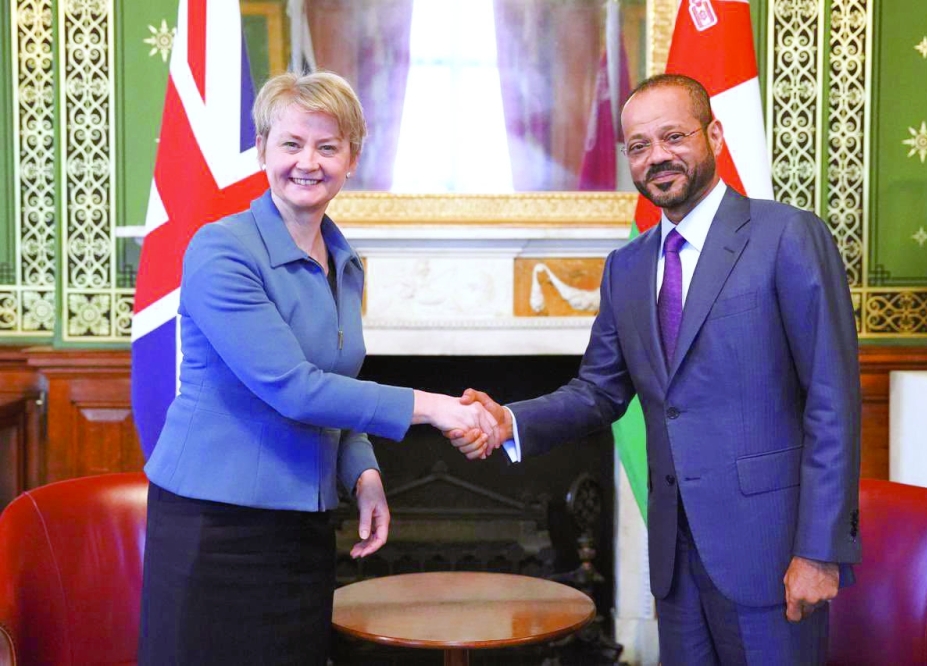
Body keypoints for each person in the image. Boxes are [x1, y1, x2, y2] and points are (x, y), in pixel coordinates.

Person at [451, 74, 861, 665]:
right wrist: (509, 420)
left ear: (714, 135)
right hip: (675, 558)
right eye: (639, 146)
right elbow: (598, 391)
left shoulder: (787, 236)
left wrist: (820, 551)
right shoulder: (627, 267)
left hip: (770, 553)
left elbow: (834, 401)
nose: (657, 156)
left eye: (673, 136)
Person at [138, 71, 496, 666]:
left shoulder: (345, 260)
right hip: (217, 529)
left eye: (328, 146)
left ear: (351, 159)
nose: (309, 162)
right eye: (292, 144)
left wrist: (363, 474)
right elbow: (296, 391)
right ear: (263, 151)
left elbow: (340, 383)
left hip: (303, 528)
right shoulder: (220, 249)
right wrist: (436, 407)